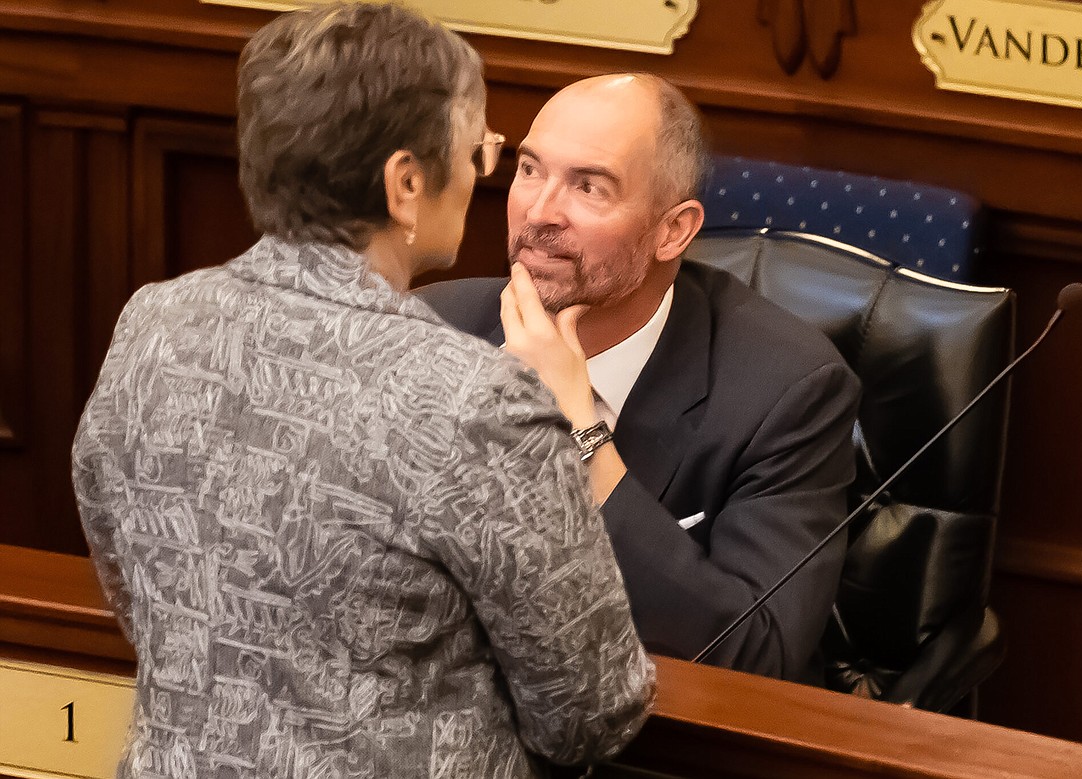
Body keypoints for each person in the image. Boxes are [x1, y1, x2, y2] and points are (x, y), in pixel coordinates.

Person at [71, 6, 653, 777]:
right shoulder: (476, 400)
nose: (483, 175)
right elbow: (591, 711)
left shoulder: (153, 323)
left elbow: (136, 591)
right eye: (478, 151)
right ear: (406, 183)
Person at [419, 73, 861, 685]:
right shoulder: (435, 327)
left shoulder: (786, 390)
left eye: (589, 187)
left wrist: (577, 431)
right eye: (529, 170)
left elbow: (756, 654)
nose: (540, 212)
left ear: (673, 230)